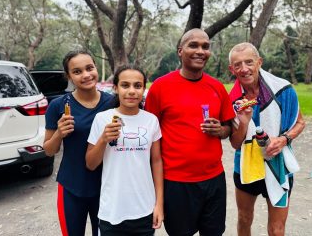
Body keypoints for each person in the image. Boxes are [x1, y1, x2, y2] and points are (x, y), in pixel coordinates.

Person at [145, 28, 235, 236]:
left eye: (205, 46)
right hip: (176, 182)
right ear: (180, 51)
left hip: (214, 179)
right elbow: (150, 135)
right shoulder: (160, 87)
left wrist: (220, 129)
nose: (200, 51)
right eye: (193, 45)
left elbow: (228, 129)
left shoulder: (217, 87)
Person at [228, 42, 305, 236]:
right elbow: (236, 144)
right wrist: (244, 122)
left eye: (249, 62)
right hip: (246, 165)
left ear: (259, 62)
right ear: (232, 69)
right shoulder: (232, 99)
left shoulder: (283, 89)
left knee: (277, 229)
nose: (244, 69)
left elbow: (300, 122)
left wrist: (284, 139)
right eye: (238, 65)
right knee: (244, 219)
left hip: (278, 164)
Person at [43, 50, 116, 236]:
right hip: (72, 186)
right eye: (77, 71)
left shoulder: (113, 103)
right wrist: (59, 133)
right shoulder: (59, 106)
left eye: (89, 68)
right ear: (69, 76)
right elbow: (49, 151)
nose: (86, 75)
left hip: (106, 187)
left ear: (96, 68)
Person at [86, 64, 164, 235]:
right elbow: (91, 164)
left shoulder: (151, 121)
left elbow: (157, 161)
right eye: (125, 85)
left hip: (145, 208)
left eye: (137, 86)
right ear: (115, 88)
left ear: (144, 89)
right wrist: (103, 140)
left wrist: (159, 204)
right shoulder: (102, 119)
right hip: (112, 210)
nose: (131, 91)